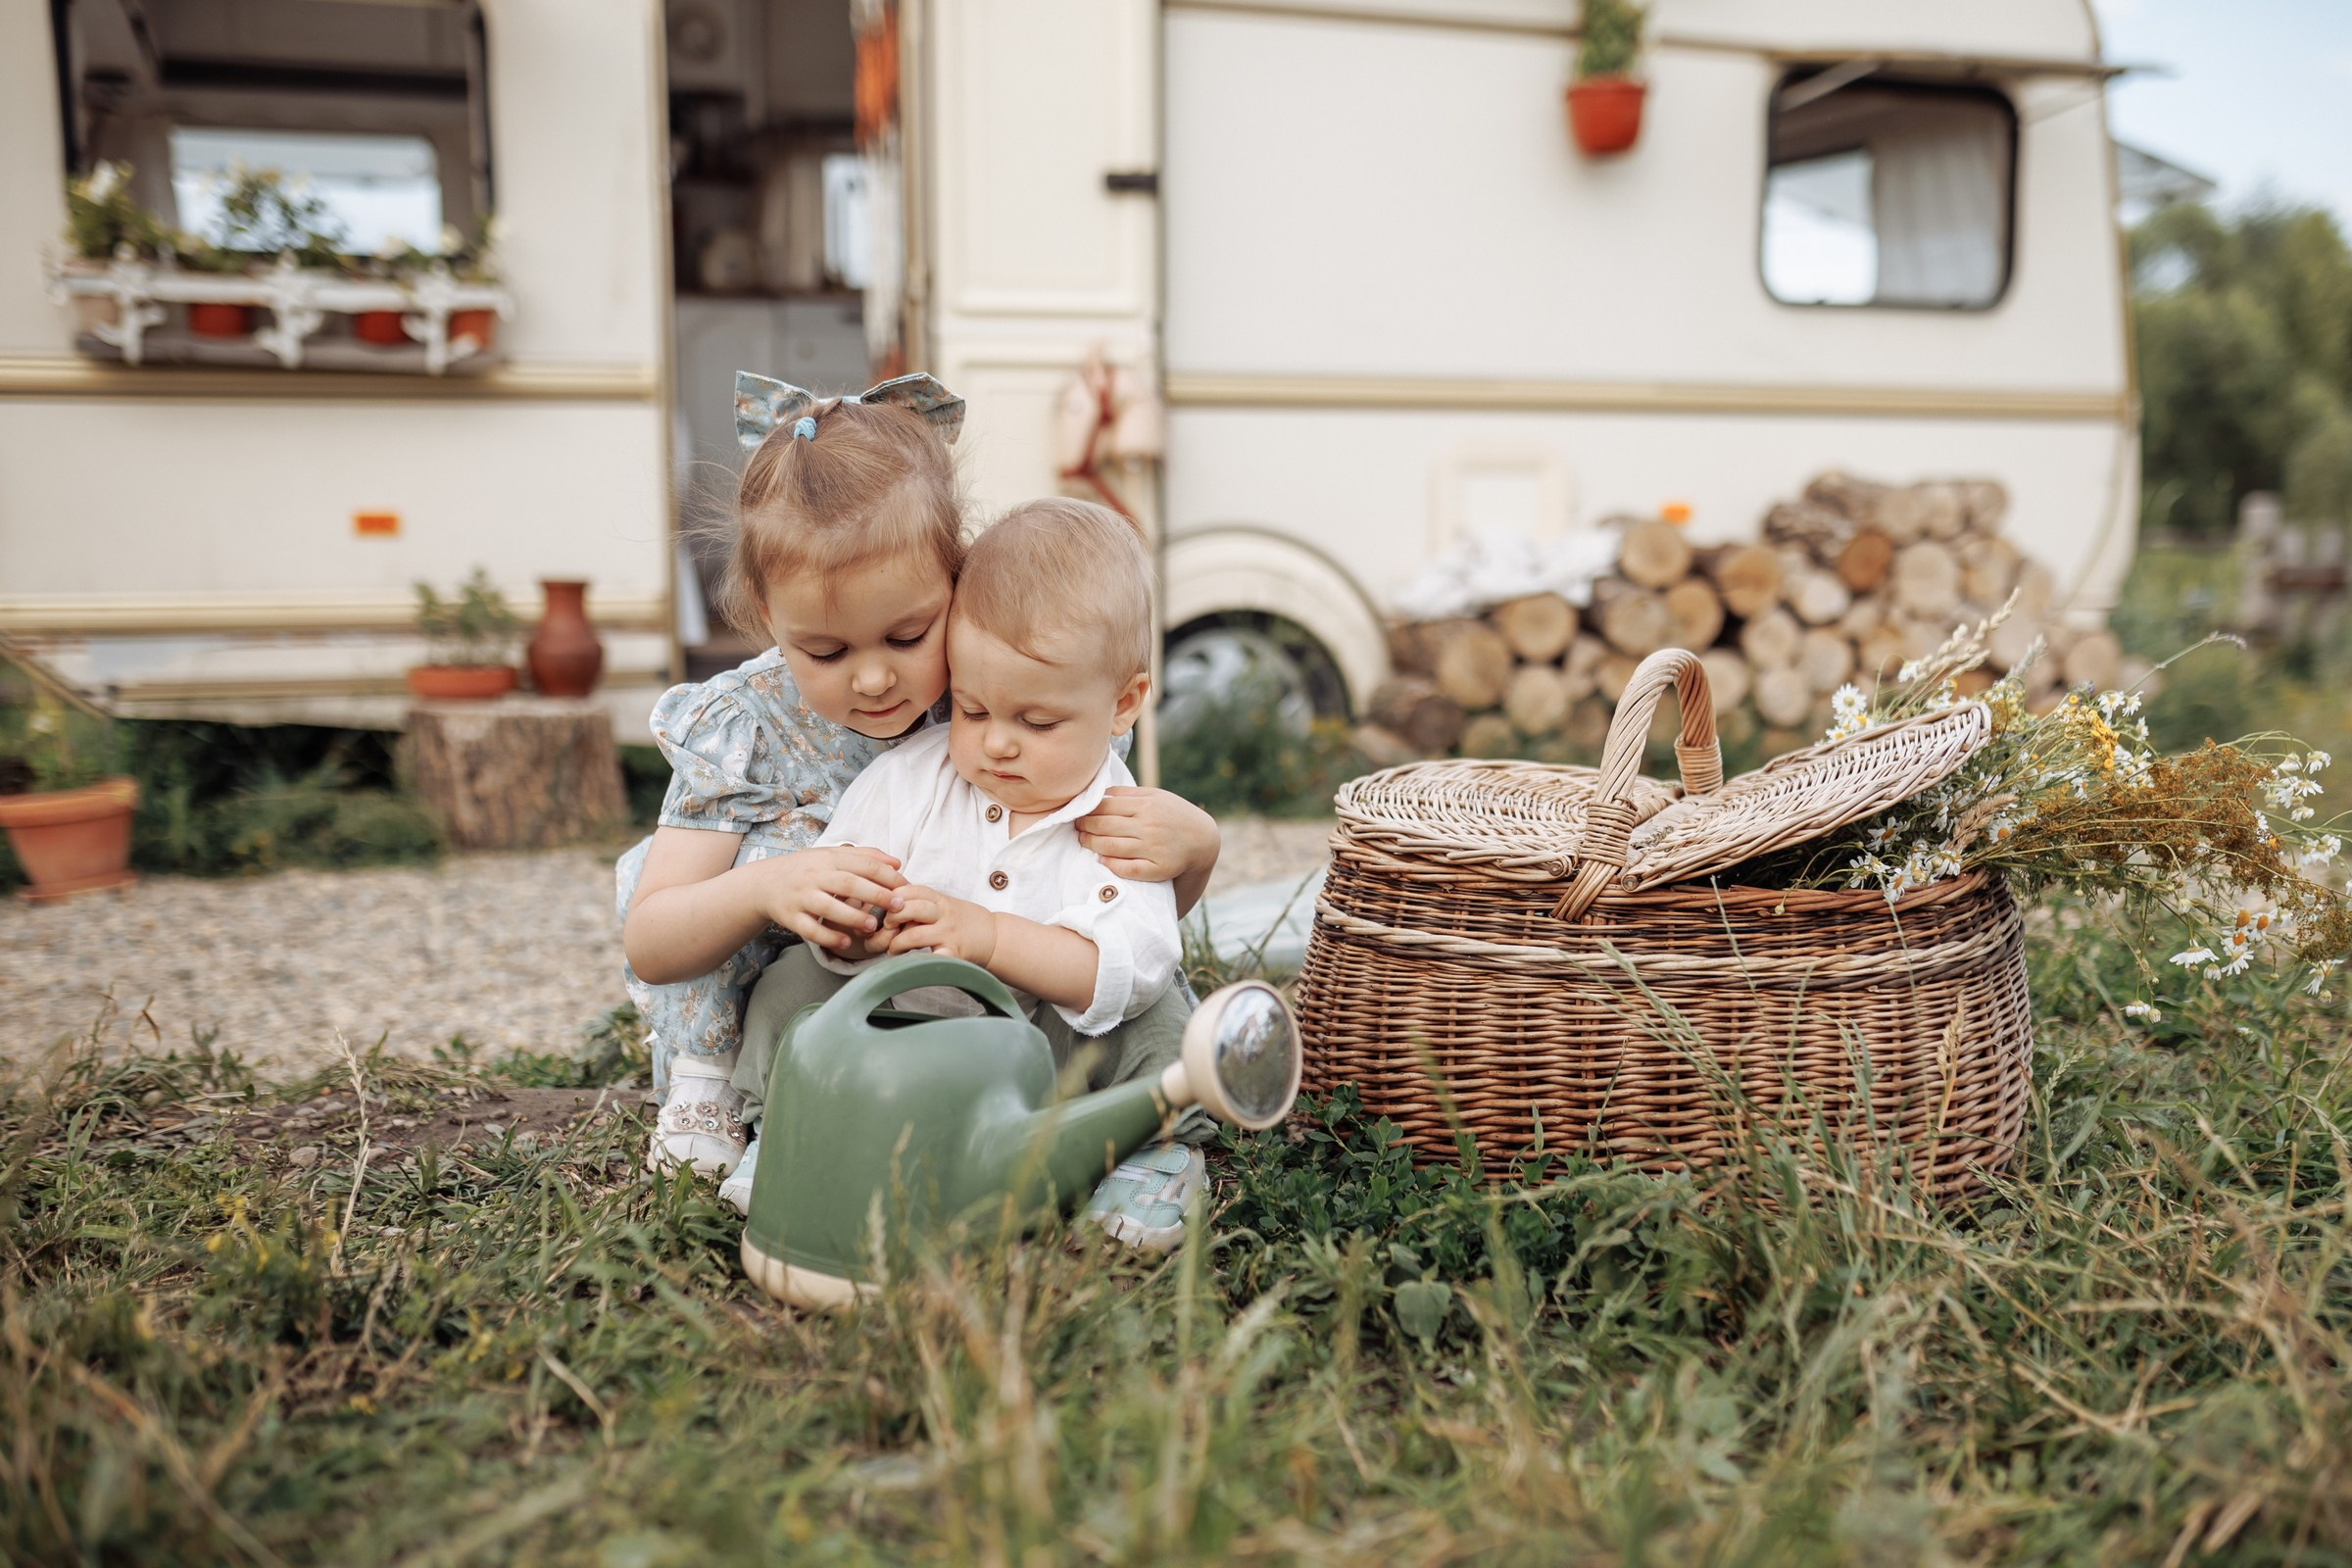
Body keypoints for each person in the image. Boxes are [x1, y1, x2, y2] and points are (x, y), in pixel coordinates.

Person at [617, 374, 1220, 1189]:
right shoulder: (742, 726)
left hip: (992, 975)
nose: (874, 680)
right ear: (764, 613)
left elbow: (1116, 902)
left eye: (907, 635)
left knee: (1149, 1003)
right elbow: (653, 941)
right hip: (802, 980)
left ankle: (1142, 1137)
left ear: (956, 581)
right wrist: (768, 888)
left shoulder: (998, 695)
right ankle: (720, 1085)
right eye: (826, 651)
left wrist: (1196, 851)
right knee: (777, 952)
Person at [719, 497, 1210, 1249]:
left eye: (1036, 722)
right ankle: (788, 1124)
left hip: (1049, 1044)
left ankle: (1156, 1150)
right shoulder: (912, 779)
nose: (997, 745)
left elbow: (1123, 971)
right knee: (791, 986)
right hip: (909, 1023)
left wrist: (987, 938)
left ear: (1124, 703)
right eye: (974, 711)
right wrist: (856, 930)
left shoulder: (1123, 823)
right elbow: (842, 886)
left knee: (1162, 1024)